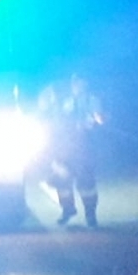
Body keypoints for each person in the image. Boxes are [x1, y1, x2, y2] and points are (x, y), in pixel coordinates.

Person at [38, 73, 104, 227]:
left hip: (84, 148)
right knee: (62, 181)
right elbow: (52, 116)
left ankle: (90, 214)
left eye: (82, 81)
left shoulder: (92, 100)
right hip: (64, 146)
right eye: (76, 81)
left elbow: (98, 118)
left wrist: (96, 120)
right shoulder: (63, 101)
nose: (78, 85)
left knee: (86, 183)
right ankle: (68, 210)